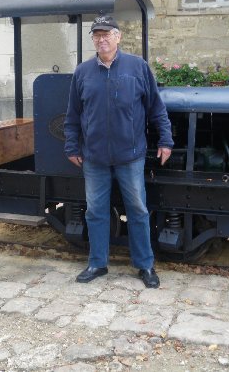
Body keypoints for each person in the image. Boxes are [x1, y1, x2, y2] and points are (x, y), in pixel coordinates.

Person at [64, 15, 173, 288]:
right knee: (95, 212)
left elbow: (156, 108)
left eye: (106, 34)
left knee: (138, 210)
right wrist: (72, 145)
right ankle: (97, 263)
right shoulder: (83, 72)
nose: (101, 39)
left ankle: (145, 265)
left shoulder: (137, 67)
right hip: (94, 157)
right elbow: (73, 115)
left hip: (130, 155)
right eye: (97, 35)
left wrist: (165, 140)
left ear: (118, 37)